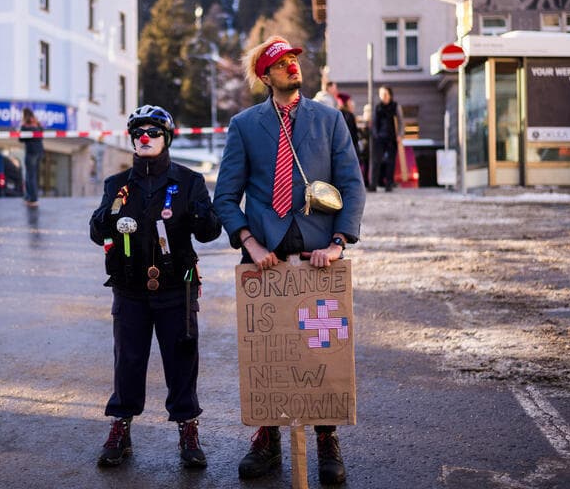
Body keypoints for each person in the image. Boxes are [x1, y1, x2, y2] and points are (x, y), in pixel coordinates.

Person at [213, 36, 365, 486]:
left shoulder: (329, 118)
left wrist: (338, 243)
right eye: (281, 63)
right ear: (265, 75)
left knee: (323, 349)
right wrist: (251, 244)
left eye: (295, 59)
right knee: (269, 351)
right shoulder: (244, 125)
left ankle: (326, 438)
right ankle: (268, 439)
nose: (293, 66)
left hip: (321, 255)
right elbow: (225, 196)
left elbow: (351, 186)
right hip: (265, 257)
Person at [89, 105, 222, 470]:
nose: (145, 138)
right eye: (139, 133)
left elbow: (209, 233)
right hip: (130, 289)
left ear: (167, 139)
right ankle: (121, 427)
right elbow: (96, 231)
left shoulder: (189, 181)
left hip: (176, 290)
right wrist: (109, 216)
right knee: (128, 359)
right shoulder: (117, 186)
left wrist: (202, 215)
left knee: (181, 359)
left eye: (154, 132)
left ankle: (188, 428)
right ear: (132, 140)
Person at [369, 85, 405, 192]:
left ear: (390, 95)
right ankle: (373, 184)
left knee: (391, 162)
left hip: (392, 138)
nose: (383, 96)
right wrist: (375, 135)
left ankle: (389, 184)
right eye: (381, 94)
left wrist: (400, 135)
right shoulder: (377, 107)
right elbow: (374, 123)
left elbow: (401, 122)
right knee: (376, 161)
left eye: (385, 94)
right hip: (379, 138)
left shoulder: (395, 106)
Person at [19, 108, 44, 206]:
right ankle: (30, 197)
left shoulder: (25, 125)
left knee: (30, 176)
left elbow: (21, 139)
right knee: (34, 175)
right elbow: (41, 135)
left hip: (31, 152)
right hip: (39, 151)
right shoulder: (37, 124)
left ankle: (32, 198)